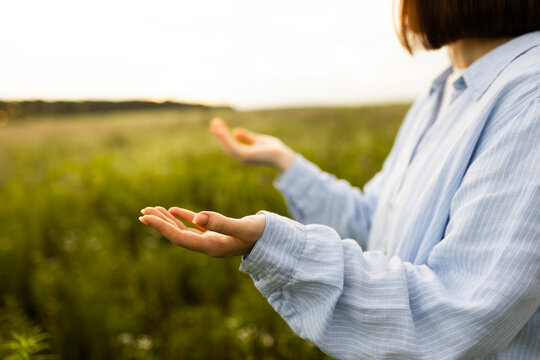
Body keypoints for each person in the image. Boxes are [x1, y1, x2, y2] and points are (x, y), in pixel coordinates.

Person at [139, 1, 540, 358]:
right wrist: (285, 160)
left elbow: (456, 315)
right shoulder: (441, 92)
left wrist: (278, 247)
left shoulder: (531, 97)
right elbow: (375, 224)